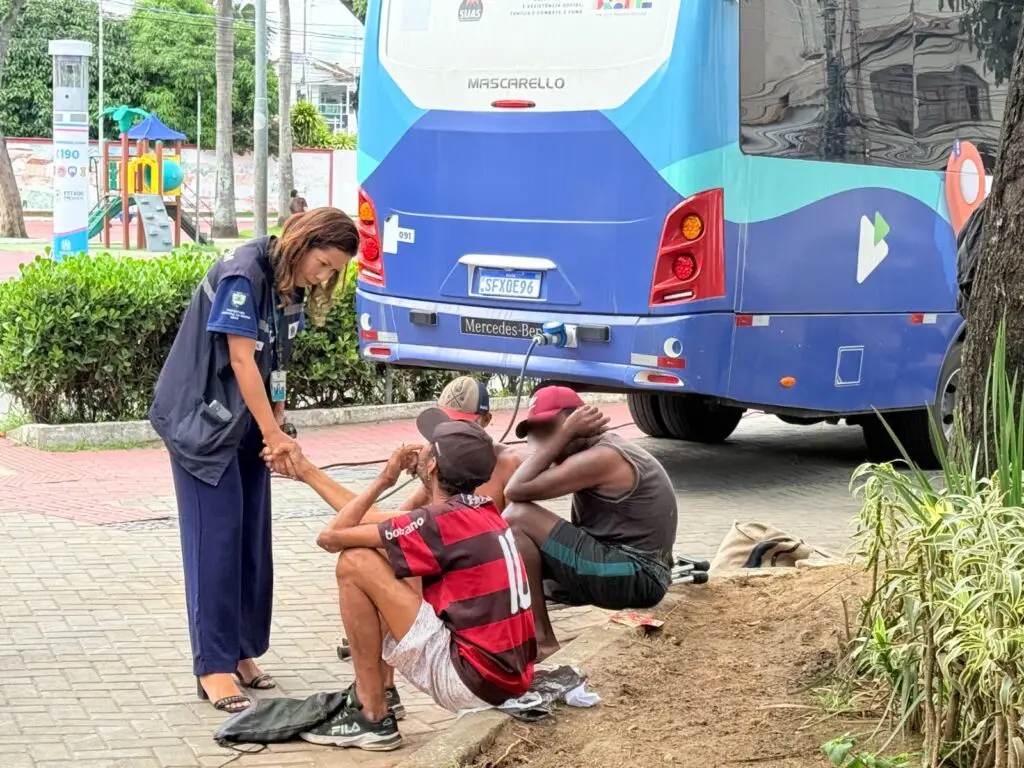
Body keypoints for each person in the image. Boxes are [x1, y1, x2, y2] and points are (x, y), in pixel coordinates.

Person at [148, 208, 357, 713]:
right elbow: (241, 358)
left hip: (245, 426)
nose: (324, 276)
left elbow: (276, 359)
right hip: (203, 427)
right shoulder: (244, 271)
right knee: (214, 544)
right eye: (324, 263)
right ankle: (213, 667)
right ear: (303, 242)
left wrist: (279, 421)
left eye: (333, 271)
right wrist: (275, 437)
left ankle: (242, 652)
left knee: (249, 542)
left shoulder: (288, 284)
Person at [269, 420, 536, 751]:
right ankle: (384, 692)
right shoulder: (480, 512)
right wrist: (306, 470)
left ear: (434, 464)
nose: (418, 447)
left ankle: (372, 712)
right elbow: (376, 520)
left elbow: (332, 535)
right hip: (508, 680)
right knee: (398, 561)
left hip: (471, 683)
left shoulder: (437, 522)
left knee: (355, 562)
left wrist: (384, 479)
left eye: (428, 446)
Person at [503, 386, 678, 659]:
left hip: (639, 575)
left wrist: (563, 436)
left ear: (580, 421)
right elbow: (527, 470)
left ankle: (543, 641)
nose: (543, 439)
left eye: (550, 428)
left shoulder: (603, 457)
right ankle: (525, 625)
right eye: (536, 432)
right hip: (630, 567)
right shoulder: (591, 451)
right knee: (520, 565)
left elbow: (515, 491)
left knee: (517, 517)